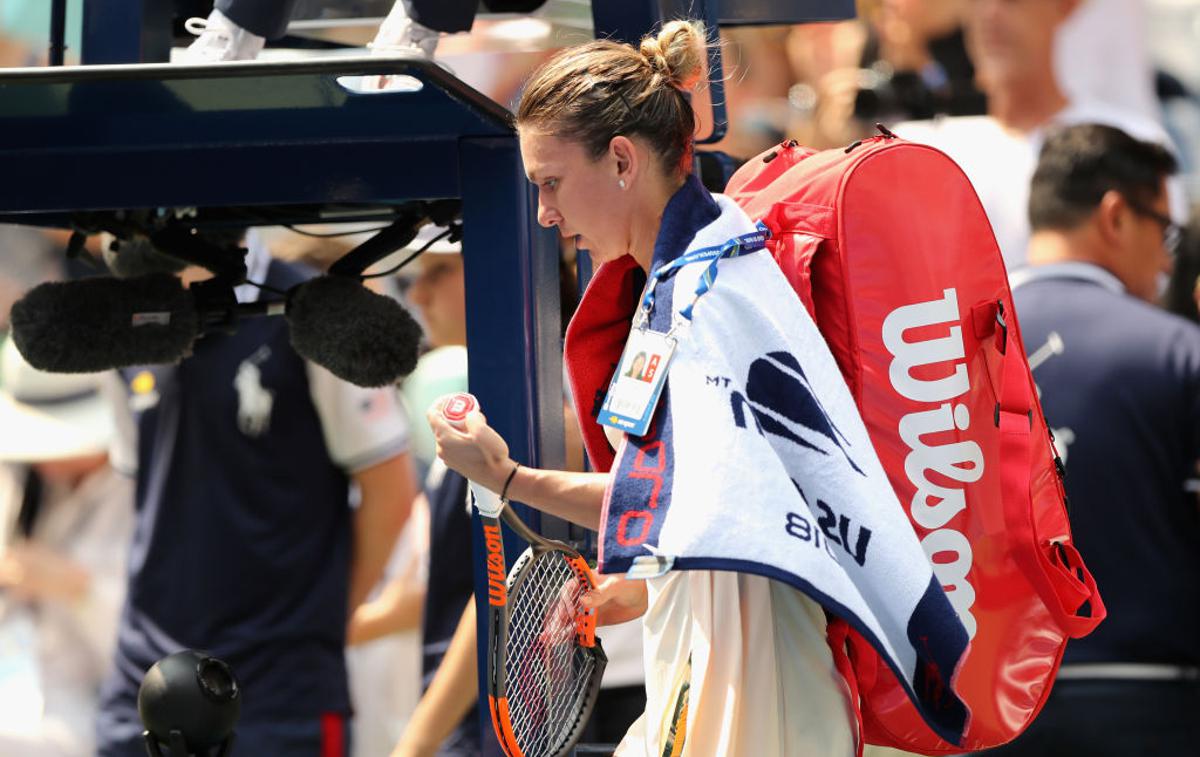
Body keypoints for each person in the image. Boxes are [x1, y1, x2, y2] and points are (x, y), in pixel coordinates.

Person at [429, 20, 972, 756]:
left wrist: (507, 476)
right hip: (736, 657)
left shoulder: (703, 292)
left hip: (751, 673)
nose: (545, 213)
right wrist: (650, 583)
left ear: (622, 160)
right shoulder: (708, 268)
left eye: (550, 183)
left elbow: (673, 496)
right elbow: (725, 506)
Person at [95, 231, 418, 757]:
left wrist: (319, 625)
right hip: (141, 682)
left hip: (279, 693)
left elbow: (390, 489)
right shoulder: (125, 320)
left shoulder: (317, 312)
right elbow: (146, 493)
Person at [989, 123, 1200, 754]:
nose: (1167, 262)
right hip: (1148, 703)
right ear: (1115, 215)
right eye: (1163, 232)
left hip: (986, 706)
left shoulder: (944, 354)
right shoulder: (1176, 352)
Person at [894, 0, 1181, 270]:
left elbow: (1159, 278)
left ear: (1065, 5)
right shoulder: (924, 149)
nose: (991, 13)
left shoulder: (1133, 141)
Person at [0, 337, 134, 757]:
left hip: (87, 712)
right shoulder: (23, 480)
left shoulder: (144, 493)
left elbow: (159, 652)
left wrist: (79, 588)